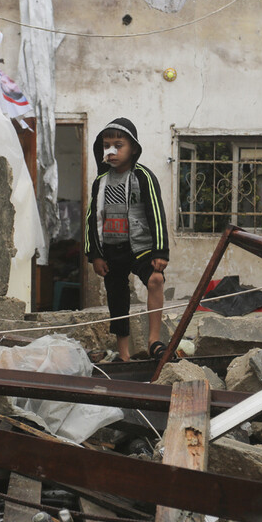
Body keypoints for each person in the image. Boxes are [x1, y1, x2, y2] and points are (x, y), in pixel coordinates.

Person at [85, 117, 169, 362]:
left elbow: (156, 212)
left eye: (118, 145)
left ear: (133, 148)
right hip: (112, 250)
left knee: (155, 279)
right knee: (117, 301)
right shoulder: (100, 182)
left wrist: (160, 251)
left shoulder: (143, 176)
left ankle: (154, 340)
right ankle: (124, 355)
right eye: (106, 145)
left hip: (140, 247)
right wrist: (96, 255)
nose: (111, 151)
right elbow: (92, 217)